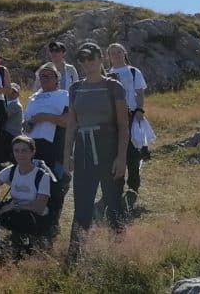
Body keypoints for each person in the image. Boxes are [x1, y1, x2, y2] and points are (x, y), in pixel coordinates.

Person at [64, 42, 129, 261]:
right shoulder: (75, 89)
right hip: (83, 149)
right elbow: (72, 125)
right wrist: (67, 154)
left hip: (108, 147)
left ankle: (119, 253)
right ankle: (74, 256)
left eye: (92, 58)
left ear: (101, 59)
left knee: (113, 202)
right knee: (82, 203)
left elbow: (123, 125)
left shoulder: (114, 87)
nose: (87, 63)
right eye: (83, 59)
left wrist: (121, 158)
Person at [23, 63, 71, 233]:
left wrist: (45, 117)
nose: (43, 79)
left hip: (55, 146)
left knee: (55, 183)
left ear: (57, 79)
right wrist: (27, 124)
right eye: (41, 76)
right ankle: (33, 220)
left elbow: (68, 121)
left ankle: (53, 221)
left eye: (48, 76)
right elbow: (26, 121)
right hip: (33, 146)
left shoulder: (64, 95)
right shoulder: (33, 97)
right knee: (34, 183)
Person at [0, 136, 53, 246]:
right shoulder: (11, 170)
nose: (20, 154)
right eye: (16, 151)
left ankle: (25, 244)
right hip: (12, 210)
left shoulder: (42, 176)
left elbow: (39, 207)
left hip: (33, 216)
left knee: (20, 217)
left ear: (33, 152)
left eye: (24, 150)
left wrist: (14, 207)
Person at [107, 43, 148, 213]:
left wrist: (139, 109)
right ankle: (116, 185)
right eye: (112, 53)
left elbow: (139, 92)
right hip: (112, 118)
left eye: (119, 52)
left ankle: (133, 186)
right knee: (113, 152)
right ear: (108, 56)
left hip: (131, 115)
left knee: (132, 151)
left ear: (124, 53)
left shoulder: (133, 71)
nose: (116, 55)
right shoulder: (107, 74)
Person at [0, 83, 23, 167]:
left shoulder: (16, 105)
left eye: (14, 92)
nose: (11, 93)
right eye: (10, 91)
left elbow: (3, 117)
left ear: (17, 94)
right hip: (6, 135)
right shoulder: (6, 103)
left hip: (12, 135)